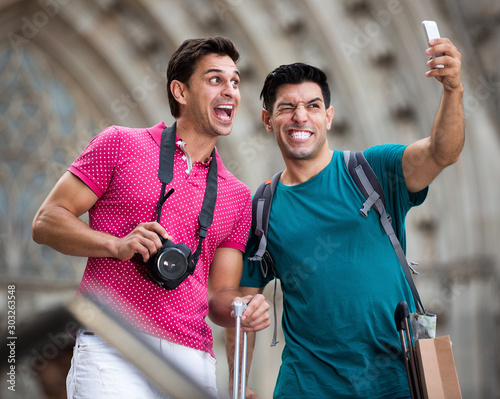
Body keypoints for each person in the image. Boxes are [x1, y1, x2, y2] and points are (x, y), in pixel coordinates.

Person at [32, 36, 270, 399]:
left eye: (235, 82)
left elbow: (220, 294)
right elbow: (46, 221)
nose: (230, 91)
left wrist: (243, 309)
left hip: (192, 358)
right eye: (215, 80)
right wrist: (116, 244)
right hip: (111, 343)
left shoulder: (237, 195)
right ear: (180, 91)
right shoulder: (119, 143)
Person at [226, 37, 464, 398]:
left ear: (329, 116)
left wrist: (453, 89)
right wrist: (238, 383)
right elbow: (241, 308)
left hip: (395, 380)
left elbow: (441, 152)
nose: (300, 116)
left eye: (313, 105)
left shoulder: (374, 170)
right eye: (286, 107)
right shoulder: (262, 207)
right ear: (267, 120)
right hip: (306, 386)